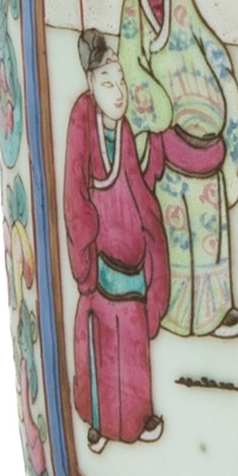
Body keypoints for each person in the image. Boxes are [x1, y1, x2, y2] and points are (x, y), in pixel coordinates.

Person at [114, 0, 238, 339]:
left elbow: (208, 46)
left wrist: (227, 106)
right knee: (174, 232)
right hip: (167, 140)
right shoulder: (133, 4)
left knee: (208, 231)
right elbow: (130, 63)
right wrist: (158, 109)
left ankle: (214, 311)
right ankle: (173, 312)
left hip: (204, 137)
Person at [61, 28, 167, 450]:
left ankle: (138, 416)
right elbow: (74, 194)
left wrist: (151, 233)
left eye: (121, 81)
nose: (119, 92)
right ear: (90, 84)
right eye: (108, 83)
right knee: (100, 345)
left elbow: (136, 186)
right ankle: (98, 422)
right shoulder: (82, 122)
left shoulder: (120, 129)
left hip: (131, 261)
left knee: (134, 342)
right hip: (101, 260)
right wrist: (85, 252)